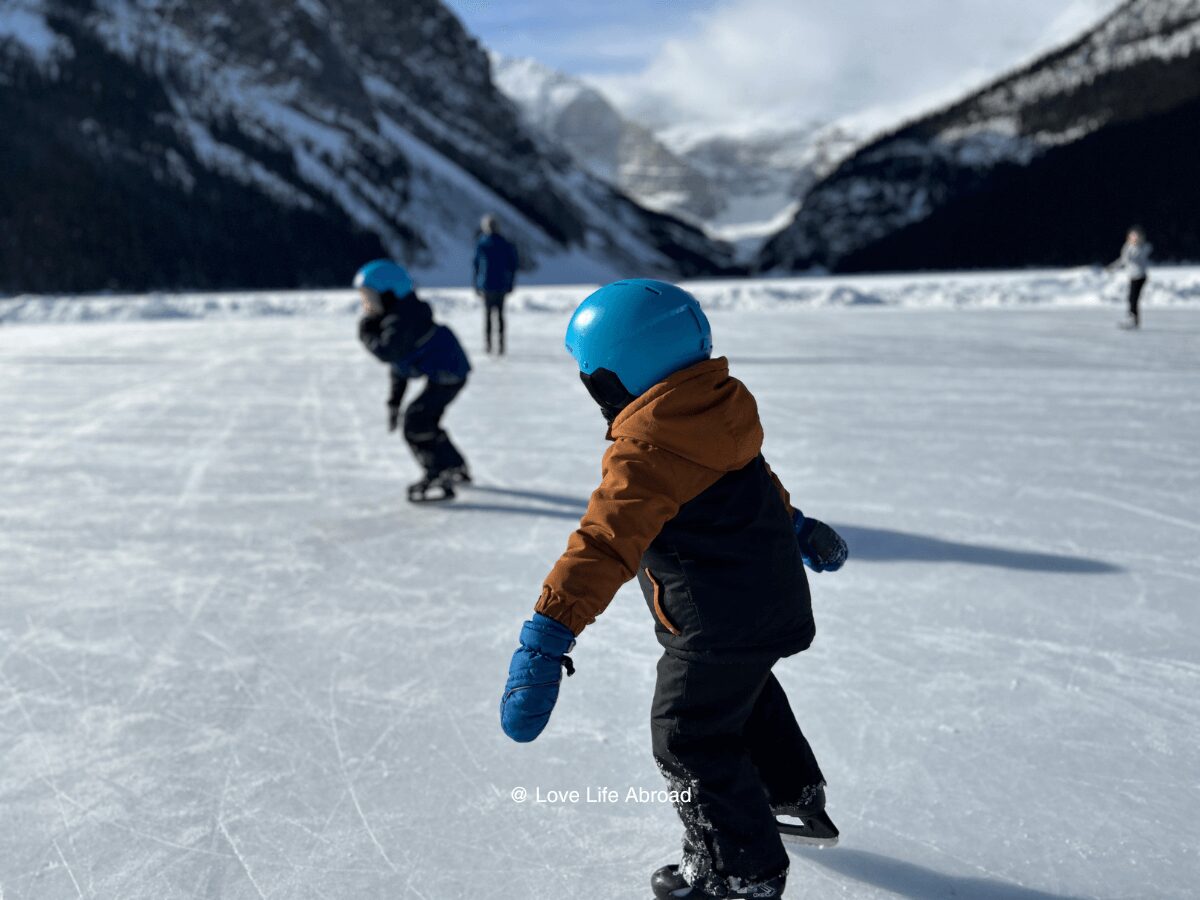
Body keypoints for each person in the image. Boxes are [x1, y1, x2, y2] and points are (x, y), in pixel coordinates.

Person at [498, 280, 849, 899]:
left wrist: (546, 636)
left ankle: (739, 871)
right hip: (772, 600)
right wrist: (798, 527)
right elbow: (754, 485)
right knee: (744, 689)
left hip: (714, 620)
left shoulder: (648, 454)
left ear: (616, 377)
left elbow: (603, 546)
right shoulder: (720, 409)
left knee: (687, 731)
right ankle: (789, 792)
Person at [354, 260, 471, 502]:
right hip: (449, 371)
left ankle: (438, 473)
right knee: (424, 420)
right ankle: (454, 465)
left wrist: (366, 330)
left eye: (369, 299)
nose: (365, 307)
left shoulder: (402, 320)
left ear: (389, 294)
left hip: (448, 375)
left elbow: (388, 352)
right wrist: (394, 402)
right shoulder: (400, 315)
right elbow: (400, 368)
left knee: (416, 423)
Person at [473, 214, 519, 355]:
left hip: (487, 285)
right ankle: (500, 344)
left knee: (488, 316)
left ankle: (488, 344)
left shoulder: (482, 243)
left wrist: (476, 284)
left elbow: (476, 266)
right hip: (500, 285)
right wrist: (510, 283)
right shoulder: (505, 243)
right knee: (499, 315)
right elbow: (513, 265)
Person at [1107, 227, 1152, 329]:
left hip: (1140, 276)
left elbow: (1134, 259)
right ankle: (1132, 319)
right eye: (1132, 236)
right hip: (1132, 276)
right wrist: (1113, 266)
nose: (1134, 238)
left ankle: (1133, 320)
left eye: (1136, 236)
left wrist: (1128, 253)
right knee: (1131, 299)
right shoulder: (1127, 247)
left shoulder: (1142, 247)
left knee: (1133, 299)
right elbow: (1123, 260)